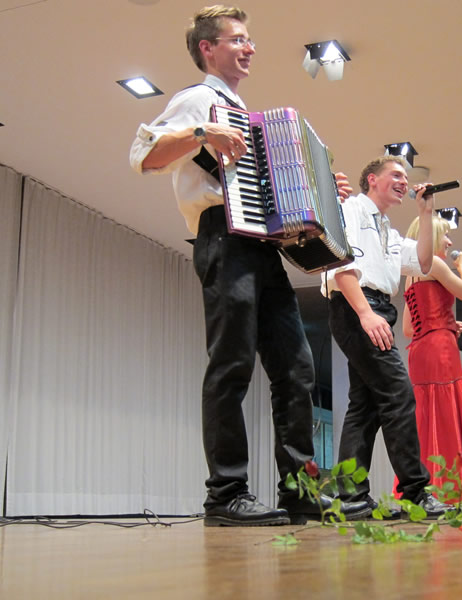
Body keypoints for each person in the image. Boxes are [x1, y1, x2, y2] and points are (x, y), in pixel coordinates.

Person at [129, 5, 369, 526]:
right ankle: (226, 494)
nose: (249, 47)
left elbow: (274, 197)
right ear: (207, 48)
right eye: (237, 39)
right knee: (231, 364)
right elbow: (143, 155)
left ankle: (299, 491)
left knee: (296, 369)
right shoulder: (198, 100)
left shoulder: (242, 112)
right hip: (222, 239)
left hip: (260, 249)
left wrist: (321, 190)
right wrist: (202, 134)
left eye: (249, 39)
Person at [321, 155, 450, 518]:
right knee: (398, 394)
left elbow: (423, 262)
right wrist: (365, 313)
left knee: (365, 407)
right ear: (372, 180)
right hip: (356, 305)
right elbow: (340, 264)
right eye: (395, 174)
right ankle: (415, 492)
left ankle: (350, 498)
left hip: (375, 308)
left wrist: (425, 213)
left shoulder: (388, 232)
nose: (403, 181)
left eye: (405, 177)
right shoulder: (350, 209)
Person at [395, 215, 462, 497]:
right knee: (447, 414)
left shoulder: (411, 274)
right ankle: (454, 489)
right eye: (445, 235)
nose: (449, 242)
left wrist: (445, 325)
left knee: (426, 417)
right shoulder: (434, 264)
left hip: (421, 350)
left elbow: (408, 329)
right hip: (440, 350)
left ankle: (424, 488)